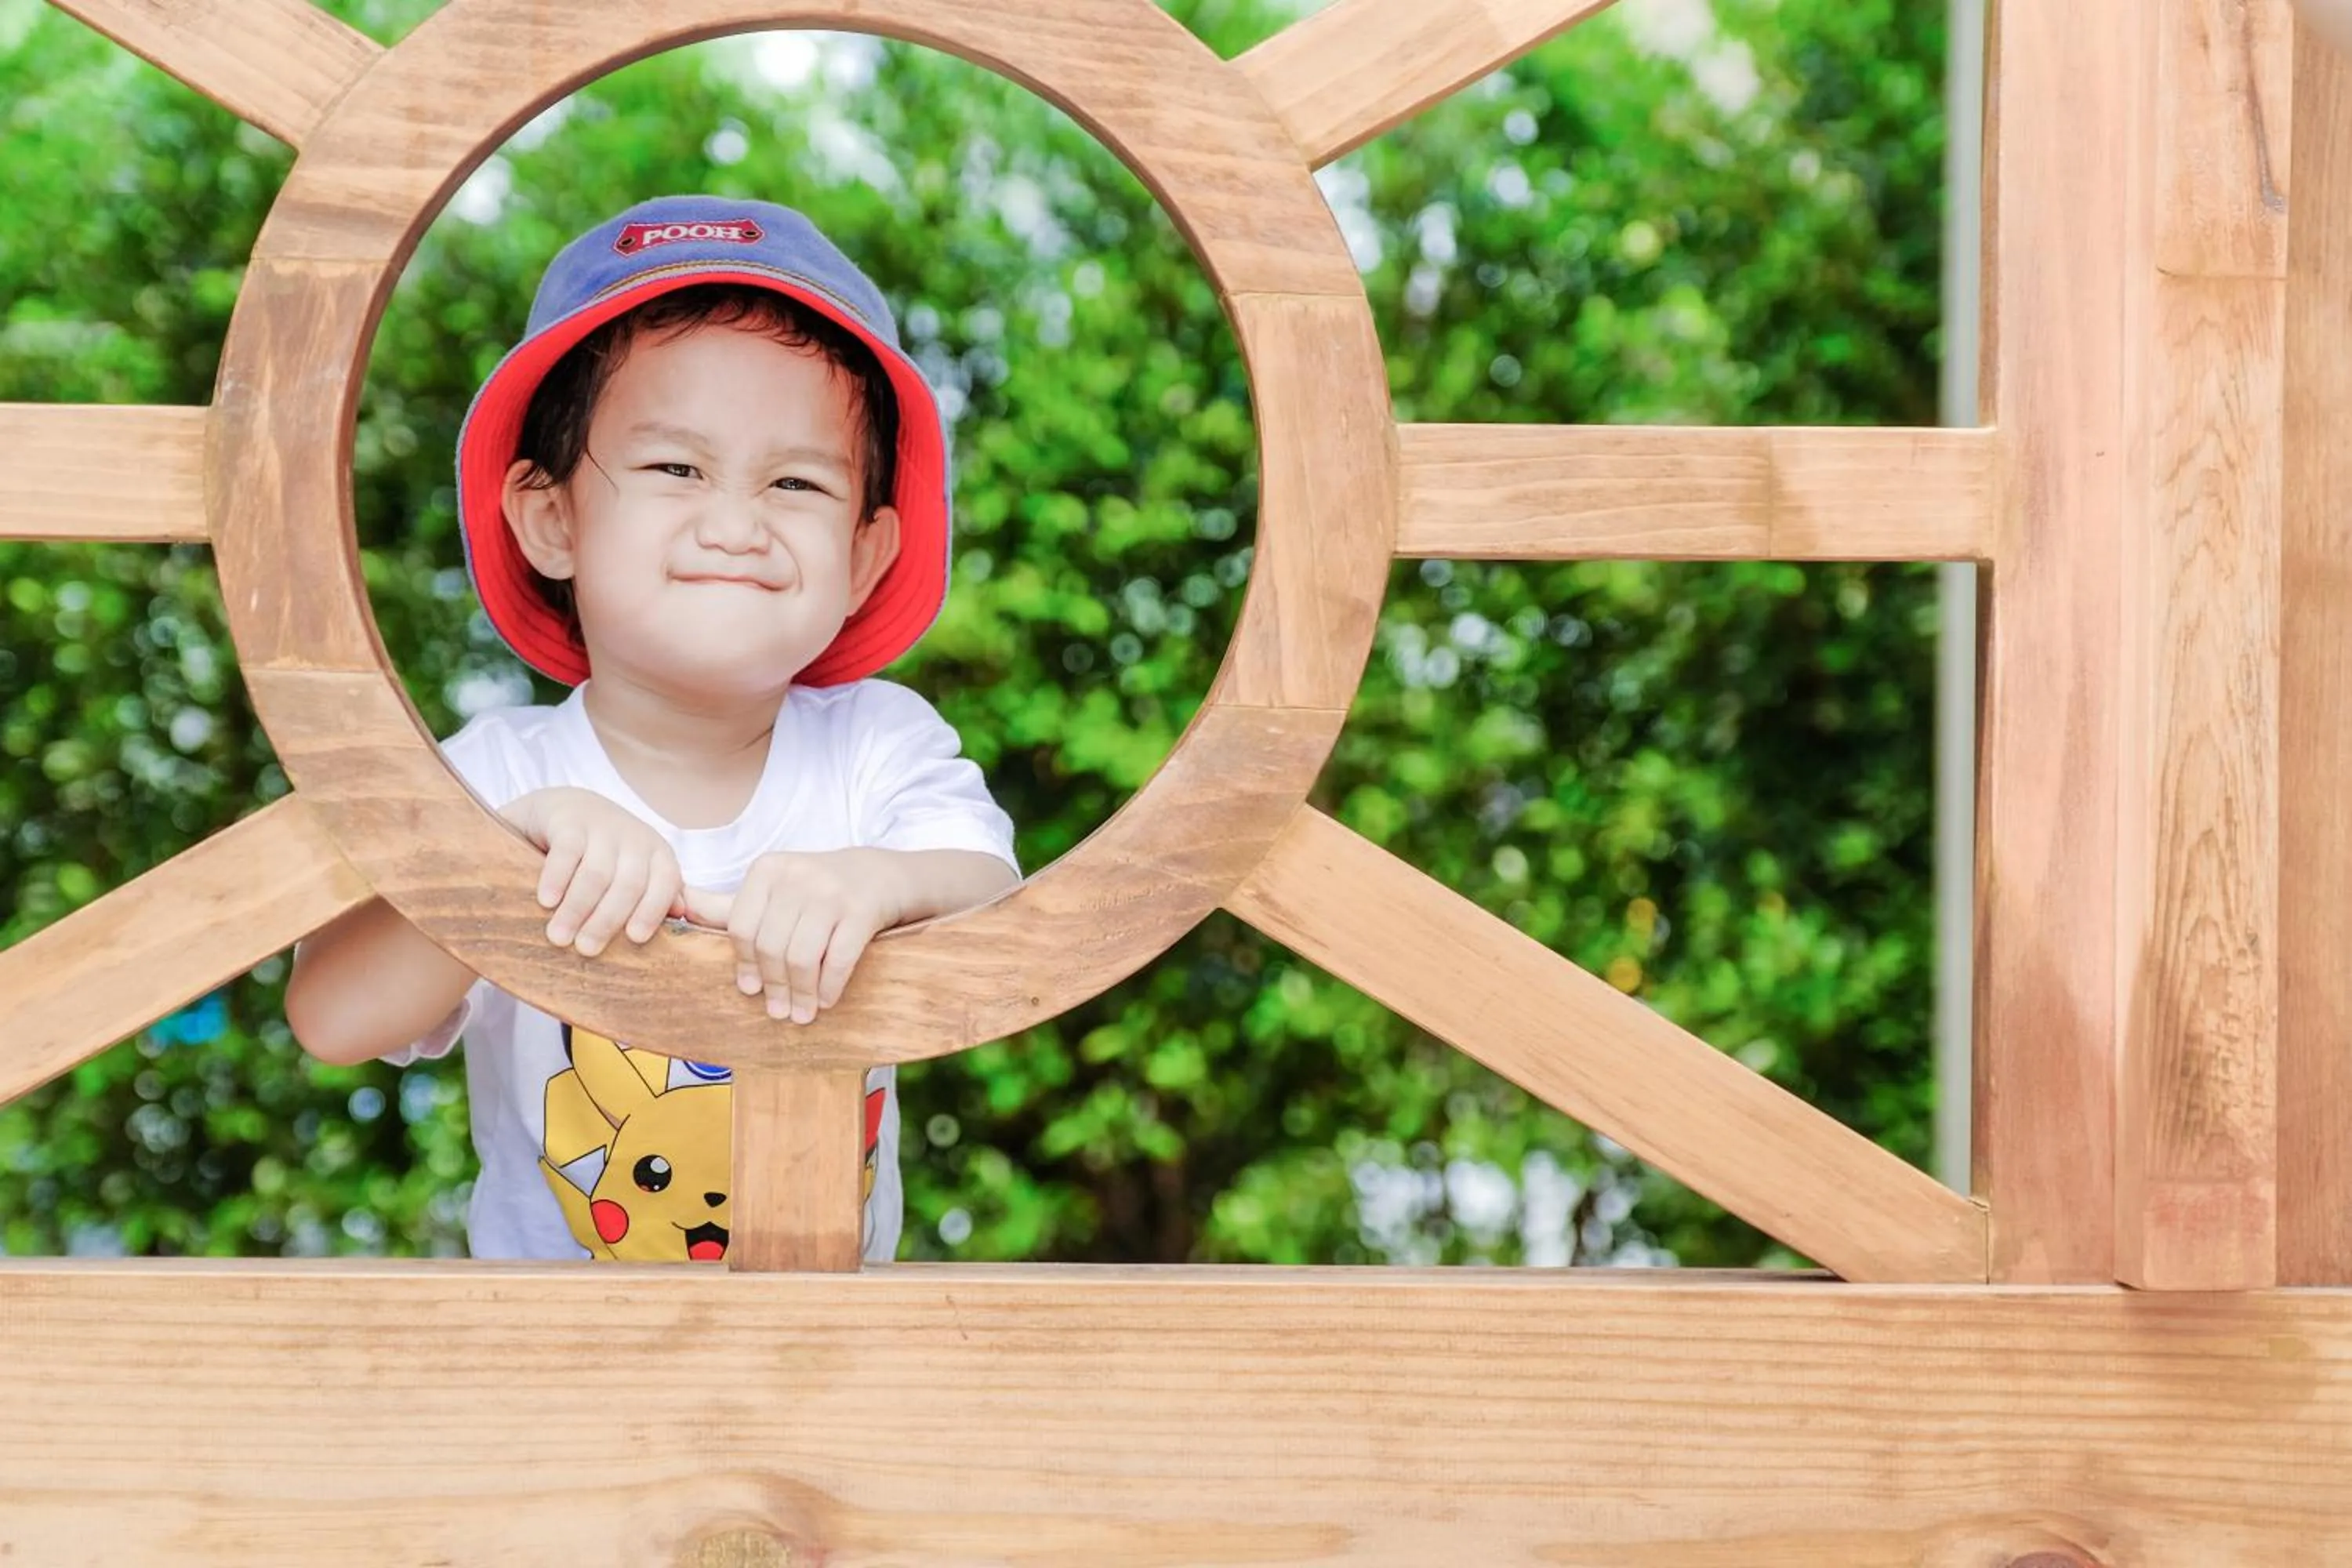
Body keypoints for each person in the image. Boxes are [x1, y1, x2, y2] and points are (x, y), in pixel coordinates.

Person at [285, 196, 1021, 1266]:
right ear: (551, 519)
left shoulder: (877, 748)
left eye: (797, 481)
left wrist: (873, 884)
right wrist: (503, 857)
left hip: (823, 1372)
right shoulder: (501, 773)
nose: (736, 522)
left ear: (865, 556)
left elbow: (1004, 914)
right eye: (678, 468)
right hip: (561, 1386)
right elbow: (331, 1016)